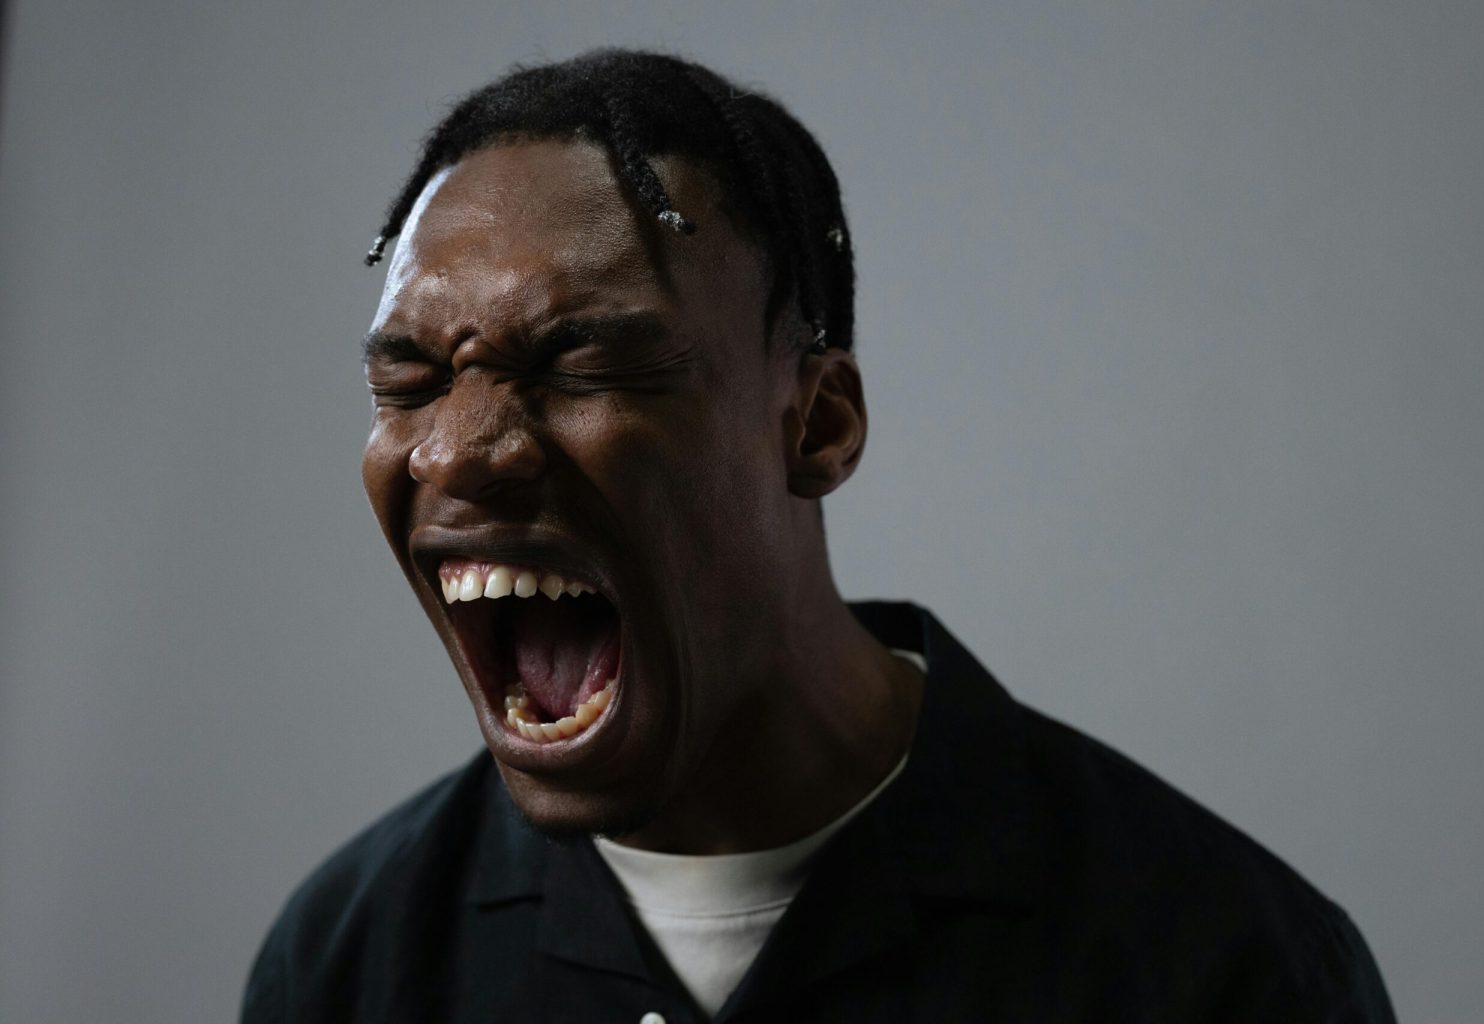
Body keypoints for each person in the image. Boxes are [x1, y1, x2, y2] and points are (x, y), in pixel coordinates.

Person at [242, 49, 1396, 1023]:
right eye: (409, 381)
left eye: (584, 362)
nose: (455, 450)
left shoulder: (1220, 963)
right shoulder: (351, 961)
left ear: (819, 423)